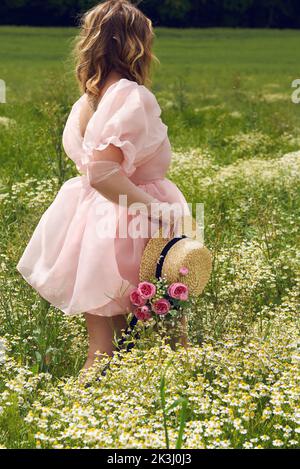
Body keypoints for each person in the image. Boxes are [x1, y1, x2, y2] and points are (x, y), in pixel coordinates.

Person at [17, 0, 190, 371]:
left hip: (96, 228)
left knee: (102, 351)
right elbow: (103, 172)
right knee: (174, 341)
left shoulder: (89, 101)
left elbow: (94, 173)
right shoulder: (132, 96)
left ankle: (84, 417)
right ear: (135, 45)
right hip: (137, 225)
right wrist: (159, 211)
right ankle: (188, 411)